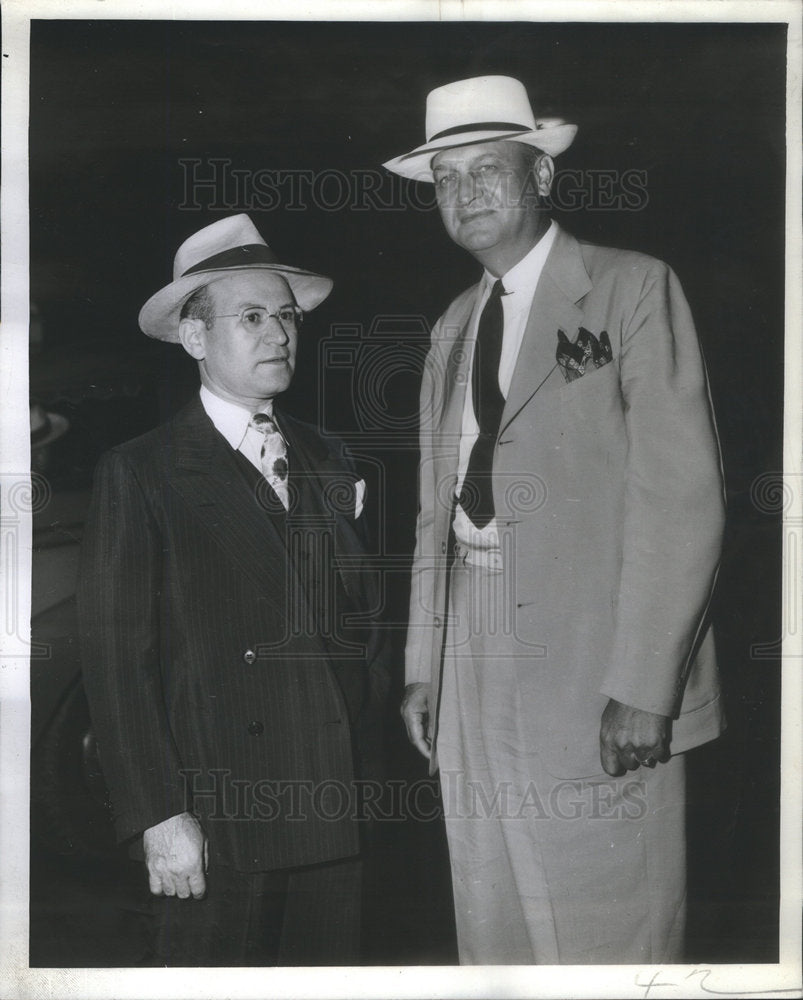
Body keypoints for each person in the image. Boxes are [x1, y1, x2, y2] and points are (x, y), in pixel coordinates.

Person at [385, 76, 725, 964]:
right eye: (446, 178)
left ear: (540, 174)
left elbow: (679, 500)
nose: (465, 194)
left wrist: (646, 685)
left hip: (595, 658)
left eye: (487, 169)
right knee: (492, 920)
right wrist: (425, 666)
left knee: (607, 925)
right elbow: (434, 514)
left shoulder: (631, 289)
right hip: (472, 654)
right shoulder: (452, 327)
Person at [77, 214, 388, 966]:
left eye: (285, 315)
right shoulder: (141, 471)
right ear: (194, 339)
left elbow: (362, 627)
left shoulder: (327, 453)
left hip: (334, 796)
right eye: (251, 316)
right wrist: (157, 814)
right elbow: (119, 666)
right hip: (221, 813)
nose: (278, 333)